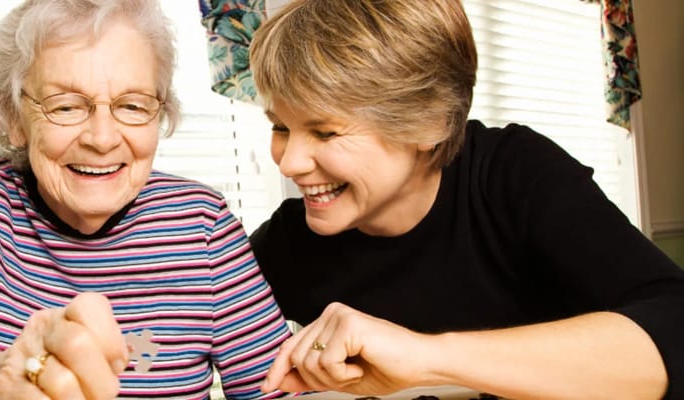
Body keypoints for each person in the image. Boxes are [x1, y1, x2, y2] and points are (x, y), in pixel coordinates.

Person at [0, 0, 294, 399]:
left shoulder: (203, 223)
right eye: (65, 106)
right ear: (13, 118)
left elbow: (277, 388)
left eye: (133, 106)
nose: (102, 139)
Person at [246, 0, 684, 399]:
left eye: (325, 132)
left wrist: (426, 357)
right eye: (280, 127)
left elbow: (674, 325)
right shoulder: (290, 240)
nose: (290, 163)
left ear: (428, 122)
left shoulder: (515, 174)